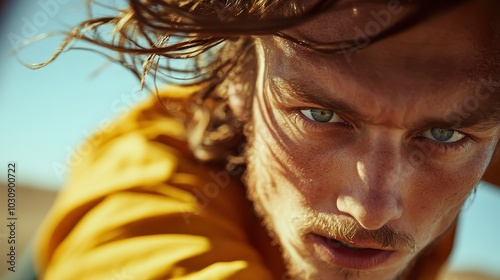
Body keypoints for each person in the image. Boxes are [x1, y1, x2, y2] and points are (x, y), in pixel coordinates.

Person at [33, 0, 500, 279]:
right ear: (237, 78)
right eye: (321, 115)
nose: (372, 209)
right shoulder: (141, 181)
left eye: (443, 133)